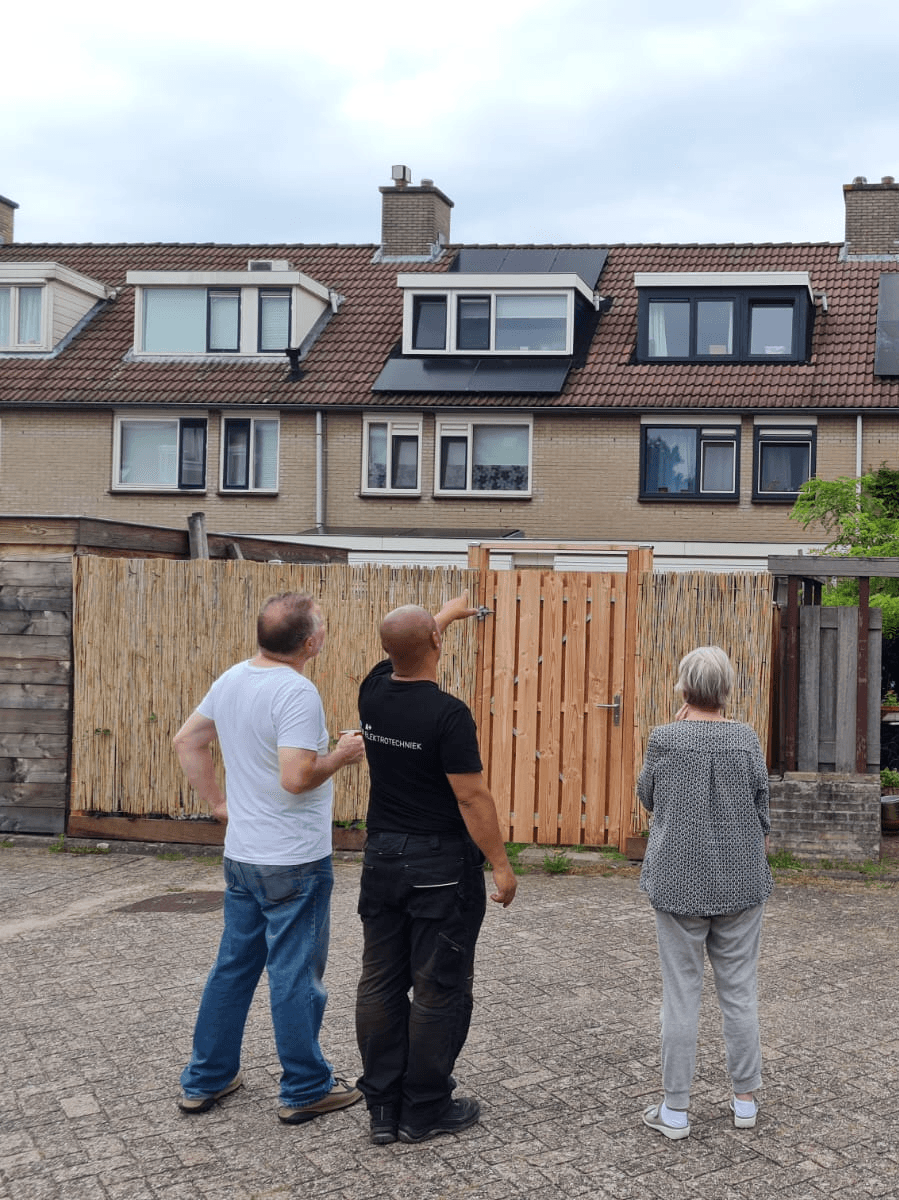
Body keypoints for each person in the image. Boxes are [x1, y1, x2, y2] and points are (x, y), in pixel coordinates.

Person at [173, 591, 366, 1124]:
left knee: (232, 970)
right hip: (293, 862)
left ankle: (205, 1080)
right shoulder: (296, 691)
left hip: (242, 857)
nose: (325, 630)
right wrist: (343, 755)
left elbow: (187, 740)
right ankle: (305, 1088)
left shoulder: (233, 678)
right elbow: (296, 777)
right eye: (322, 624)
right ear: (310, 641)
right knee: (295, 974)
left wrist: (218, 804)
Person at [354, 591, 517, 1146]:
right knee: (437, 988)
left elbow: (396, 649)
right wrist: (500, 865)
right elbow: (472, 798)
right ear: (435, 646)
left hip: (381, 859)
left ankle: (382, 1106)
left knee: (379, 981)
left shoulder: (372, 694)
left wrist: (441, 618)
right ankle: (423, 1107)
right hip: (439, 866)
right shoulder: (448, 714)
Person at [637, 646, 772, 1140]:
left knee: (681, 995)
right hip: (741, 881)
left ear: (682, 687)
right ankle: (745, 1102)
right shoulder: (746, 740)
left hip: (677, 881)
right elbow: (762, 807)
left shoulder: (664, 740)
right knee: (739, 993)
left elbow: (648, 797)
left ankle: (676, 1112)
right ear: (726, 690)